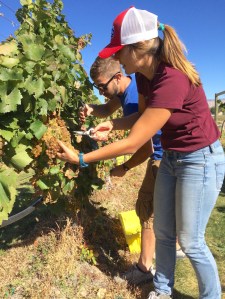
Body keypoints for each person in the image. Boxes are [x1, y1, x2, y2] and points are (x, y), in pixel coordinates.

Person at [57, 6, 225, 299]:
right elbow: (140, 118)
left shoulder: (171, 78)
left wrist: (81, 159)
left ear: (138, 49)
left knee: (191, 241)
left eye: (119, 52)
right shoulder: (146, 77)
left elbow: (136, 142)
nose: (117, 59)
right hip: (172, 157)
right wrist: (112, 122)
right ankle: (161, 290)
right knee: (162, 230)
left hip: (200, 160)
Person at [80, 55, 157, 284]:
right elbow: (106, 109)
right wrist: (91, 108)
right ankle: (167, 250)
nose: (100, 91)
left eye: (102, 86)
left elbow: (144, 147)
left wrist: (124, 167)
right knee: (155, 209)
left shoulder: (133, 98)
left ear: (117, 77)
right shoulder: (123, 89)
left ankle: (145, 269)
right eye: (97, 87)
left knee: (146, 209)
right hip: (164, 157)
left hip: (160, 157)